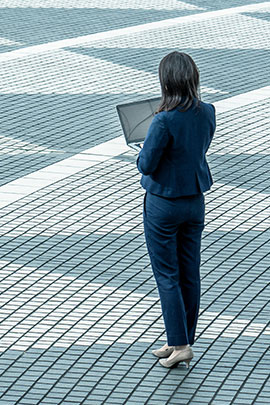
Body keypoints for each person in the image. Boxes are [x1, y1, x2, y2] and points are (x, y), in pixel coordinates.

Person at [136, 51, 216, 368]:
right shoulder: (207, 111)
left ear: (165, 81)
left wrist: (143, 148)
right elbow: (195, 148)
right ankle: (180, 339)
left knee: (167, 275)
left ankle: (180, 344)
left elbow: (146, 164)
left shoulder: (163, 119)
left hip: (164, 204)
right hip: (195, 201)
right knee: (189, 272)